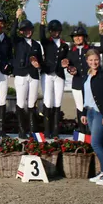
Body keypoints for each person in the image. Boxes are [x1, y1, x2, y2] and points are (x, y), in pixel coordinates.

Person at [80, 49, 103, 186]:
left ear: (99, 60)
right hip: (90, 112)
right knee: (100, 142)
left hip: (101, 113)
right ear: (87, 61)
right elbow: (86, 96)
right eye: (91, 60)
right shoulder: (87, 75)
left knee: (95, 143)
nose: (93, 62)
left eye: (96, 60)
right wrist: (83, 112)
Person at [66, 24, 103, 132]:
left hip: (91, 83)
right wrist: (70, 69)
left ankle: (92, 131)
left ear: (84, 37)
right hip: (77, 83)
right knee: (80, 107)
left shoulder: (90, 49)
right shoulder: (71, 52)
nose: (77, 38)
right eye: (75, 36)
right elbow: (69, 65)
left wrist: (102, 34)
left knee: (91, 107)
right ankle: (82, 131)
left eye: (80, 36)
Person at [11, 10, 43, 138]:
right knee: (21, 102)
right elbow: (12, 33)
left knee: (31, 103)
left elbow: (41, 61)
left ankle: (32, 129)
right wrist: (16, 17)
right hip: (21, 74)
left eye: (29, 29)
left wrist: (38, 65)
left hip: (33, 75)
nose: (27, 32)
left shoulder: (36, 45)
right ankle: (21, 129)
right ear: (21, 31)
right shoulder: (18, 42)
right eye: (24, 30)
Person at [39, 11, 70, 139]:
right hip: (47, 74)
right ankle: (47, 131)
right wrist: (42, 21)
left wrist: (67, 63)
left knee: (57, 102)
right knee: (47, 101)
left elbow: (67, 60)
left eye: (56, 31)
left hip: (59, 75)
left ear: (60, 31)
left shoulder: (65, 46)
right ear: (50, 31)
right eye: (52, 31)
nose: (54, 33)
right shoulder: (46, 42)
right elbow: (41, 36)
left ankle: (56, 131)